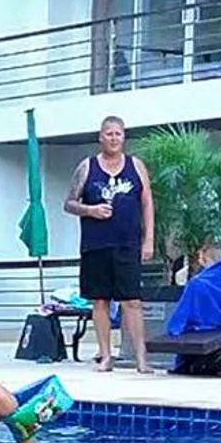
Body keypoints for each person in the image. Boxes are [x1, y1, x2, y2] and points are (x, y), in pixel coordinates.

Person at [63, 115, 156, 376]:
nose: (114, 138)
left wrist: (148, 240)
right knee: (99, 301)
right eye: (109, 134)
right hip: (96, 245)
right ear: (100, 137)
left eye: (118, 134)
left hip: (127, 244)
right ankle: (105, 355)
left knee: (132, 302)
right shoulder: (87, 167)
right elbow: (69, 203)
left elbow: (147, 203)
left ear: (123, 137)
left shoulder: (136, 166)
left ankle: (141, 358)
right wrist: (90, 210)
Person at [163, 241, 221, 375]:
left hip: (200, 332)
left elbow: (182, 314)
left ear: (204, 258)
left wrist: (172, 332)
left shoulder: (197, 283)